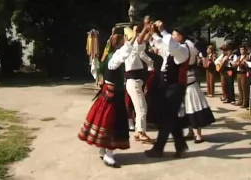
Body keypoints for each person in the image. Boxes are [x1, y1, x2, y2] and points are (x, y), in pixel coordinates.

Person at [78, 33, 136, 168]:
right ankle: (109, 155)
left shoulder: (107, 56)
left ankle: (103, 150)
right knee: (113, 123)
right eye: (123, 42)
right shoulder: (114, 57)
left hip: (109, 93)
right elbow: (125, 52)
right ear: (119, 44)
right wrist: (134, 37)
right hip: (113, 95)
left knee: (106, 121)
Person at [144, 20, 189, 158]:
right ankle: (181, 145)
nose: (171, 36)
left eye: (174, 34)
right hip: (167, 87)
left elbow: (170, 44)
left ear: (180, 37)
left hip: (175, 88)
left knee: (167, 119)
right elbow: (162, 44)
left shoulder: (183, 50)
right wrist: (153, 33)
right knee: (170, 117)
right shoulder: (171, 51)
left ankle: (158, 148)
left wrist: (163, 31)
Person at [124, 25, 154, 143]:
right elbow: (140, 40)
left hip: (135, 82)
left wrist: (150, 32)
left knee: (141, 107)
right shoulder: (130, 49)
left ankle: (138, 131)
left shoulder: (131, 49)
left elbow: (143, 41)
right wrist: (144, 30)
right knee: (141, 108)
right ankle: (141, 132)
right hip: (134, 82)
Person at [182, 39, 216, 143]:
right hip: (184, 85)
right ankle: (191, 132)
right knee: (187, 110)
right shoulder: (185, 48)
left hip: (190, 85)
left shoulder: (188, 48)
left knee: (193, 109)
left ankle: (198, 135)